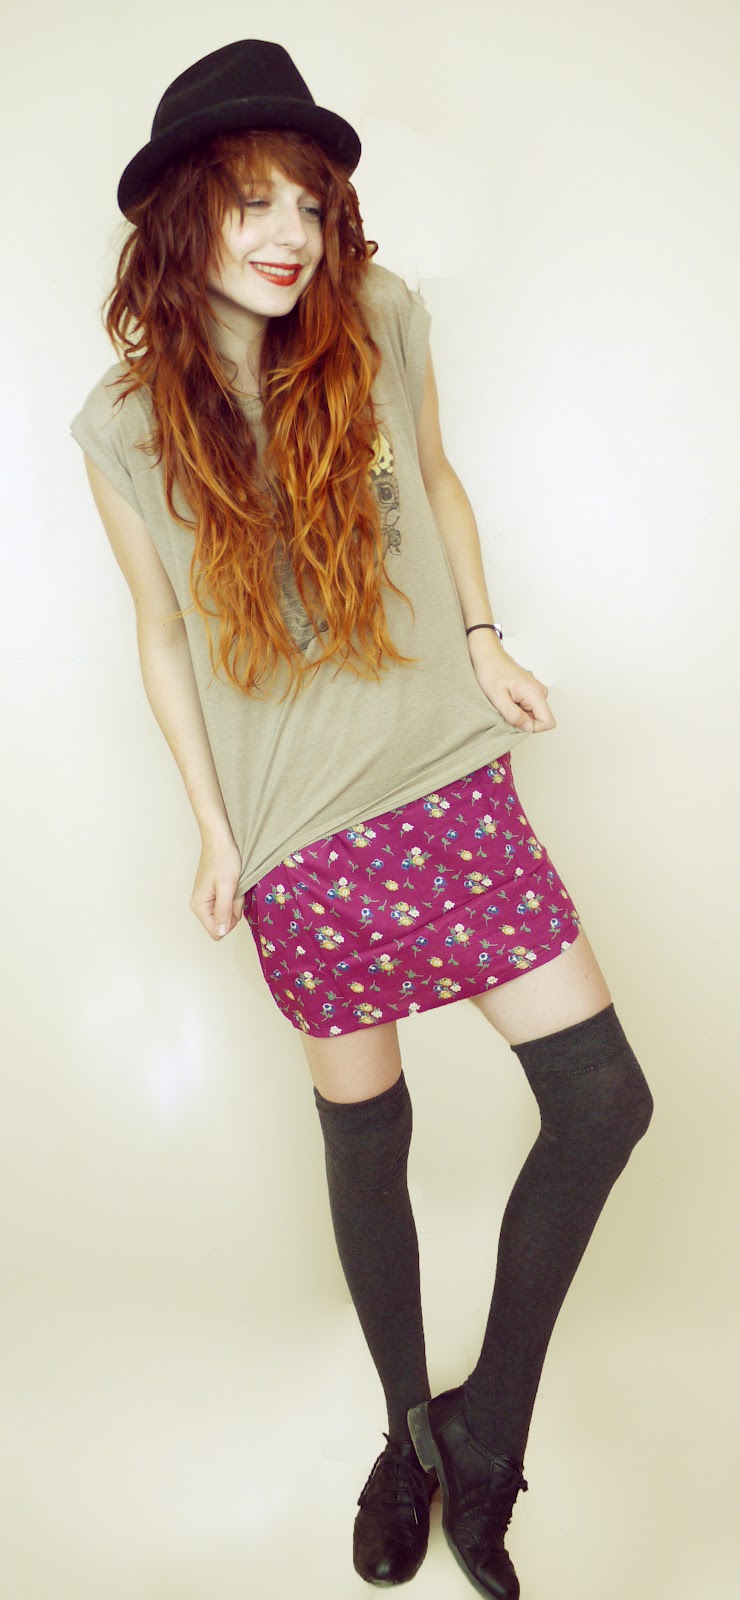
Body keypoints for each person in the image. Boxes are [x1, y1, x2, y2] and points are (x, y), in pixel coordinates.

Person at [70, 39, 654, 1599]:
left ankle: (485, 1429)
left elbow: (439, 483)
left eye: (311, 204)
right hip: (301, 827)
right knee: (368, 1141)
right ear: (183, 215)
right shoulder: (121, 425)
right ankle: (406, 1436)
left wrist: (483, 638)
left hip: (443, 772)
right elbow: (162, 634)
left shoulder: (379, 318)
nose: (290, 234)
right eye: (253, 201)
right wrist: (214, 830)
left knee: (602, 1099)